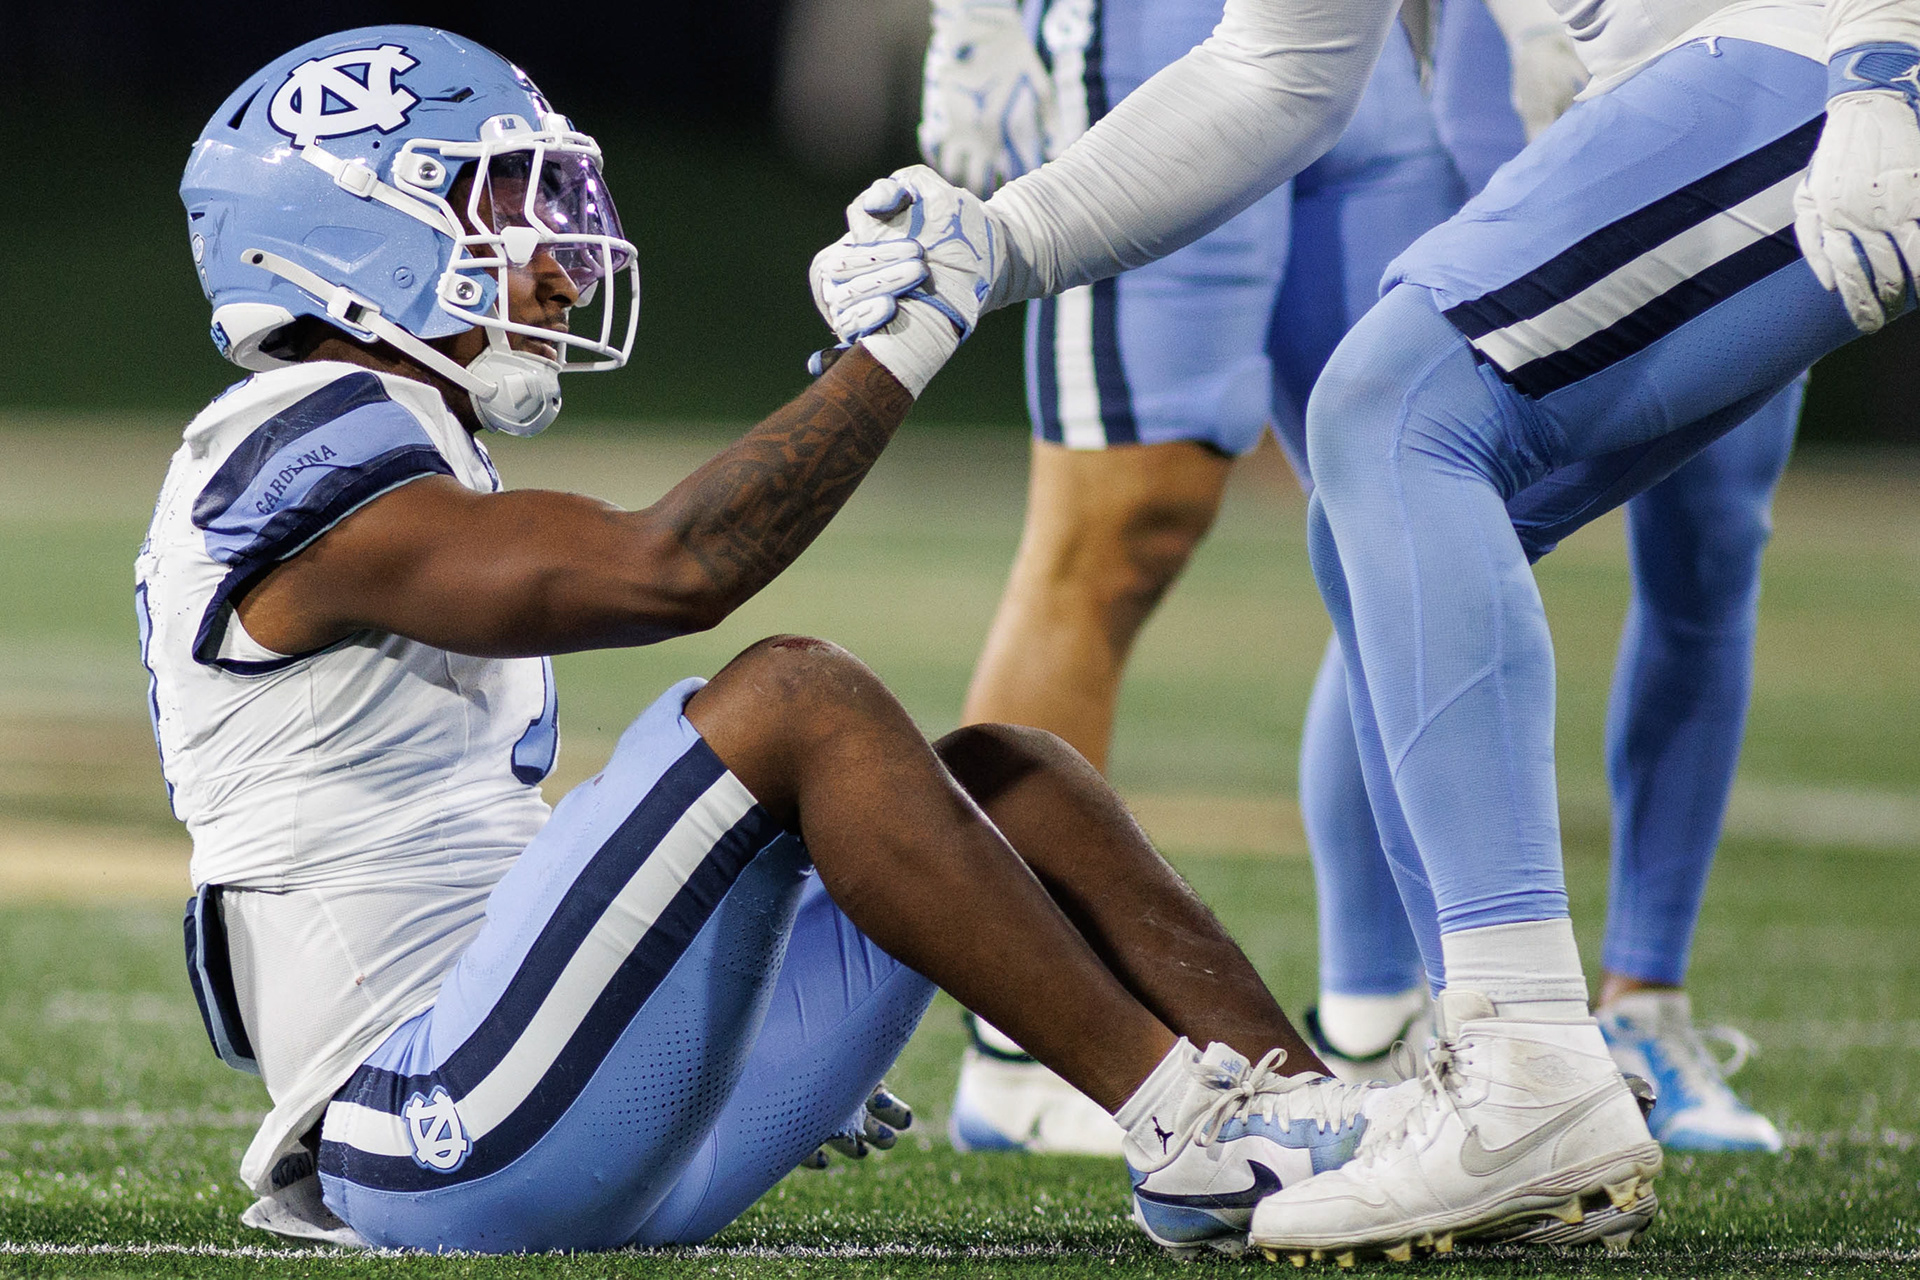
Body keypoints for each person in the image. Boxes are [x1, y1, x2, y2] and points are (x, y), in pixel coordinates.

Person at [142, 23, 1422, 1257]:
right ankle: (1182, 1124)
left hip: (544, 1078)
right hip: (427, 1125)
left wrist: (686, 1001)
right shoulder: (287, 439)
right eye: (504, 205)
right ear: (359, 227)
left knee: (1006, 775)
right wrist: (908, 337)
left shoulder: (406, 435)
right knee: (791, 699)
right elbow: (673, 570)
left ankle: (1330, 1133)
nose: (558, 257)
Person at [811, 0, 1917, 1257]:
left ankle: (1534, 1068)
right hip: (1739, 65)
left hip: (1825, 45)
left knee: (1397, 411)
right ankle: (1496, 1054)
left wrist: (1886, 44)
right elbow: (1275, 72)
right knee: (1376, 492)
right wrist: (1002, 241)